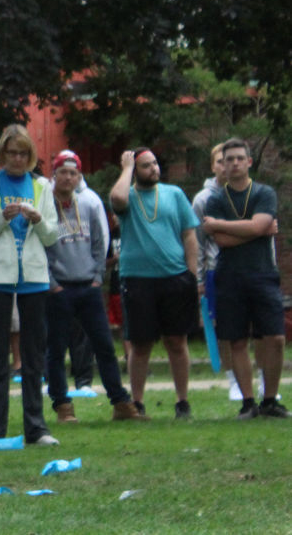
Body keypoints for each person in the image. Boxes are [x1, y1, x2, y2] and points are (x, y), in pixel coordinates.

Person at [0, 124, 59, 445]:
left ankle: (36, 428)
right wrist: (2, 217)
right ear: (2, 154)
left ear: (31, 156)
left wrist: (38, 220)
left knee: (33, 354)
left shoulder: (42, 187)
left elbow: (52, 236)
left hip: (34, 277)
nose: (18, 159)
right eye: (12, 153)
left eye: (24, 153)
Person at [44, 150, 139, 423]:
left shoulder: (89, 202)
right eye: (63, 172)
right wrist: (51, 283)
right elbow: (37, 245)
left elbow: (101, 239)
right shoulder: (44, 204)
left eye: (73, 173)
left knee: (104, 345)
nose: (68, 177)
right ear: (55, 174)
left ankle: (120, 402)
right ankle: (62, 404)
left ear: (79, 176)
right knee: (56, 348)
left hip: (88, 286)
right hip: (58, 288)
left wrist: (98, 276)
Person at [201, 138, 288, 419]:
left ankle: (270, 399)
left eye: (240, 158)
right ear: (222, 165)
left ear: (249, 162)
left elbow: (260, 224)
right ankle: (248, 403)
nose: (235, 163)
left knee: (274, 337)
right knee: (236, 340)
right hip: (229, 276)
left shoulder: (264, 193)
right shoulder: (215, 199)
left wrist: (222, 225)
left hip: (263, 273)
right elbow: (223, 241)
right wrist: (255, 230)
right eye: (229, 159)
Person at [109, 148, 199, 420]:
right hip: (137, 280)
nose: (154, 169)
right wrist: (126, 168)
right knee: (141, 343)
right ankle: (137, 402)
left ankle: (182, 401)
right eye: (146, 166)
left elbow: (189, 234)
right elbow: (117, 198)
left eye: (156, 164)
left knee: (176, 341)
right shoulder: (128, 197)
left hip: (175, 278)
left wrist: (192, 274)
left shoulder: (174, 194)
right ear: (135, 171)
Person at [192, 142, 244, 401]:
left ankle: (258, 378)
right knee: (223, 327)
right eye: (221, 161)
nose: (227, 166)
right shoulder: (203, 200)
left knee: (252, 327)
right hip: (215, 270)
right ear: (213, 166)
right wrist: (199, 279)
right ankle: (233, 378)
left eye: (231, 160)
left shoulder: (248, 193)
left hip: (247, 268)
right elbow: (198, 242)